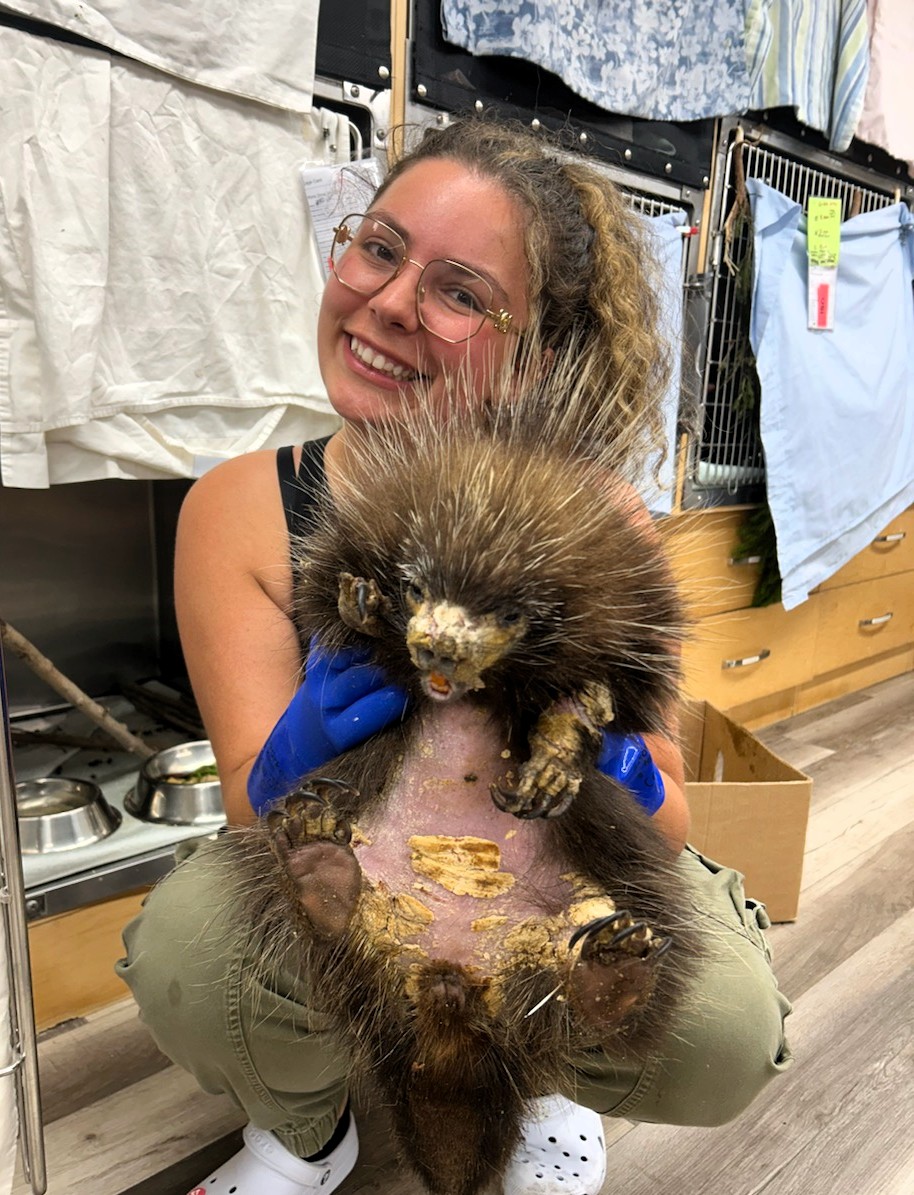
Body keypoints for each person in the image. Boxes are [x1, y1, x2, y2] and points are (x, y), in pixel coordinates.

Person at [116, 117, 793, 1195]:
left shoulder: (602, 516)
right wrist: (308, 741)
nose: (386, 302)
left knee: (717, 1025)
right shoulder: (242, 508)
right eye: (378, 247)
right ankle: (303, 1127)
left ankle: (542, 1069)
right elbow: (257, 808)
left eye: (462, 292)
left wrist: (607, 753)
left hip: (548, 859)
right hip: (365, 854)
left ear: (536, 352)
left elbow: (665, 822)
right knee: (194, 959)